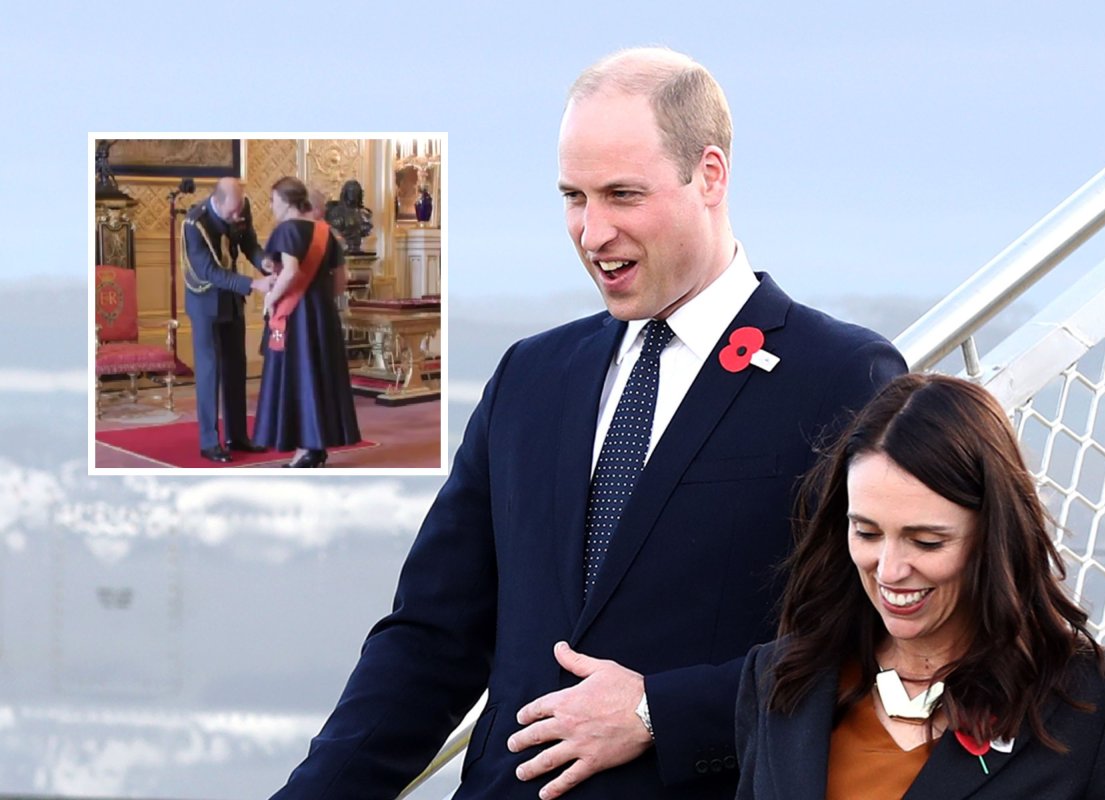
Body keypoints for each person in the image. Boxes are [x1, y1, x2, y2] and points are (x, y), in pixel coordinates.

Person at [270, 47, 906, 800]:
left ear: (710, 176)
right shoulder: (530, 378)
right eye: (574, 196)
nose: (591, 231)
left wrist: (656, 712)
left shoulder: (843, 377)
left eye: (622, 195)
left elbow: (876, 645)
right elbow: (431, 641)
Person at [735, 373, 1105, 799]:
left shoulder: (1090, 700)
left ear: (994, 537)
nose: (890, 570)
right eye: (867, 533)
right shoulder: (781, 677)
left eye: (926, 541)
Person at [252, 177, 360, 468]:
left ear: (287, 202)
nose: (271, 206)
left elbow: (290, 272)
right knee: (319, 378)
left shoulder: (287, 230)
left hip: (296, 318)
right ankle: (317, 445)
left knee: (297, 380)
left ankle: (304, 449)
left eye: (273, 200)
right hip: (323, 317)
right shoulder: (326, 233)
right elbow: (341, 283)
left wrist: (271, 298)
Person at [181, 177, 274, 463]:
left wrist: (264, 262)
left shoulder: (241, 206)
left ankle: (238, 436)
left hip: (231, 301)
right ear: (217, 201)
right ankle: (209, 442)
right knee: (210, 372)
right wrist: (254, 283)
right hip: (205, 302)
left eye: (240, 210)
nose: (238, 216)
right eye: (232, 212)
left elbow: (250, 244)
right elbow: (210, 271)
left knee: (236, 368)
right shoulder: (194, 224)